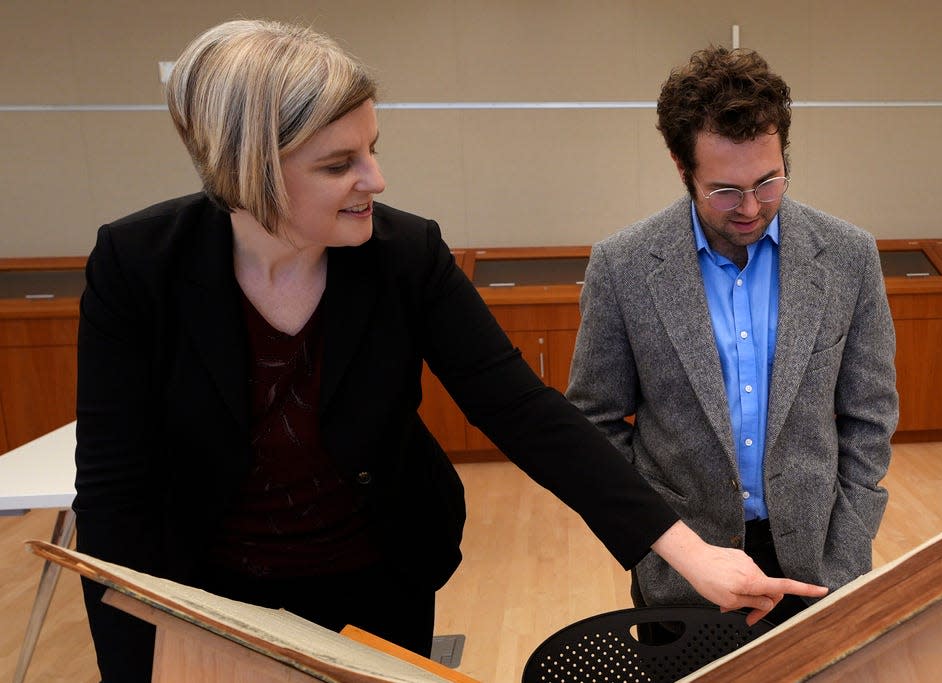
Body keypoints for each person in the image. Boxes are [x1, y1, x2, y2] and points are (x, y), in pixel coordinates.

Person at [73, 22, 827, 681]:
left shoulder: (406, 255)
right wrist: (130, 664)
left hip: (378, 576)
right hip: (212, 587)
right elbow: (114, 494)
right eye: (339, 164)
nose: (375, 178)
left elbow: (524, 411)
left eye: (371, 149)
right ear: (249, 166)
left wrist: (687, 551)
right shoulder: (137, 265)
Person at [567, 46, 898, 628]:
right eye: (724, 189)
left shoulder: (849, 256)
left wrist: (845, 553)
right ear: (680, 165)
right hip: (683, 574)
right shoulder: (622, 267)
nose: (750, 207)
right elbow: (595, 424)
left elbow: (869, 417)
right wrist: (657, 544)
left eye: (768, 181)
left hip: (820, 563)